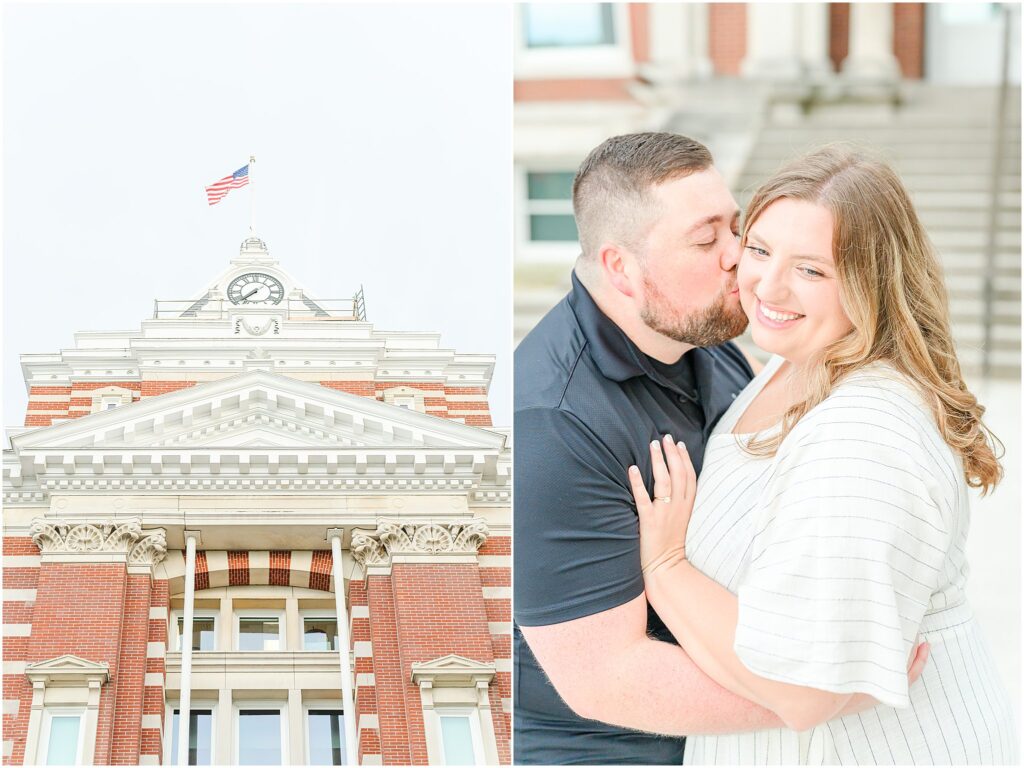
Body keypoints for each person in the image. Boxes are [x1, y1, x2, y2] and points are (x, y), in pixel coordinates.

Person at [513, 134, 927, 765]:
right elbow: (606, 678)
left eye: (737, 227)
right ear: (621, 268)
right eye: (707, 241)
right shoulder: (552, 426)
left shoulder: (700, 330)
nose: (739, 258)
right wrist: (823, 690)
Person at [630, 146, 1017, 764]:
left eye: (812, 269)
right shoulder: (797, 362)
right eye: (759, 250)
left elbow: (804, 690)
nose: (768, 285)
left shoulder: (863, 435)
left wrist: (668, 567)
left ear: (870, 281)